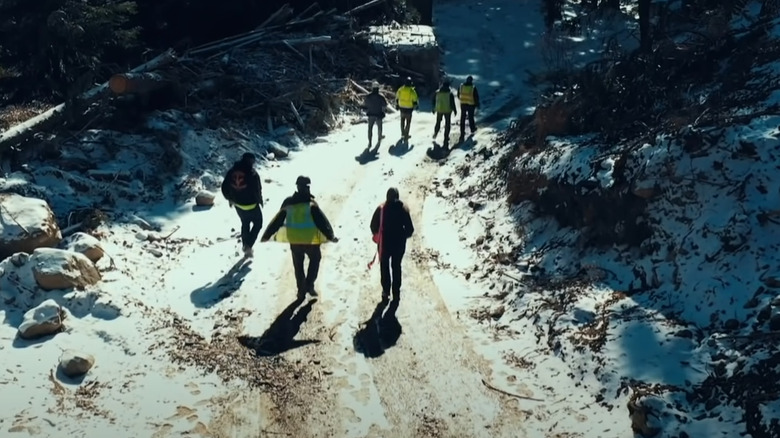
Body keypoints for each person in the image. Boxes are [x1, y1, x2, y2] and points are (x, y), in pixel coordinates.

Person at [261, 176, 339, 297]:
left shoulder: (288, 202)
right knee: (315, 260)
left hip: (295, 240)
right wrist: (330, 236)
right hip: (310, 241)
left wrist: (267, 235)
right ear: (308, 187)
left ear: (297, 186)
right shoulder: (311, 204)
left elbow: (278, 220)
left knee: (298, 266)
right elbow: (322, 222)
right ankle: (309, 285)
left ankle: (301, 290)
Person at [370, 187, 414, 300]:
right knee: (396, 266)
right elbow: (410, 229)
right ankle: (396, 292)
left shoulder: (381, 208)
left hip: (384, 244)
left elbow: (373, 226)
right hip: (399, 245)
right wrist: (403, 236)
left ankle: (385, 291)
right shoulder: (403, 208)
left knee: (384, 267)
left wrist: (377, 234)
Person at [221, 152, 264, 258]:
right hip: (251, 205)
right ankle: (248, 245)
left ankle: (245, 245)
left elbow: (224, 187)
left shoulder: (231, 172)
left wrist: (229, 199)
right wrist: (260, 200)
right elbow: (257, 189)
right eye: (253, 161)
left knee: (245, 223)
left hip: (238, 205)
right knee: (258, 224)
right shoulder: (252, 173)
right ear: (250, 161)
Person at [432, 80, 457, 147]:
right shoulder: (450, 93)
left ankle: (435, 133)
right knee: (447, 124)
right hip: (447, 111)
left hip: (439, 110)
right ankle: (446, 137)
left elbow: (434, 101)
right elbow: (452, 103)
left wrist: (433, 109)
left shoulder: (437, 92)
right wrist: (454, 110)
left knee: (438, 122)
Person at [363, 82, 387, 149]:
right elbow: (384, 105)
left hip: (371, 114)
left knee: (370, 128)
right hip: (379, 114)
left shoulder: (368, 96)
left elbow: (365, 104)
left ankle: (370, 142)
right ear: (378, 88)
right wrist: (383, 111)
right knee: (379, 127)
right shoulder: (381, 96)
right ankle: (379, 138)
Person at [458, 75, 480, 142]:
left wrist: (462, 100)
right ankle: (472, 129)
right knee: (471, 117)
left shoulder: (461, 86)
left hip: (463, 104)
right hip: (471, 104)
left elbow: (459, 94)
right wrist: (477, 104)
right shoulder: (473, 87)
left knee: (462, 118)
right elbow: (476, 97)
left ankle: (462, 132)